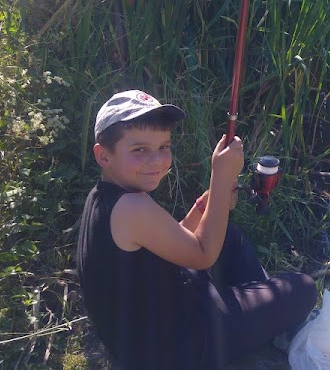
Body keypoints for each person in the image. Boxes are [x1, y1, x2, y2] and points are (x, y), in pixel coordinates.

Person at [77, 90, 316, 368]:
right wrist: (221, 175)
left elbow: (168, 241)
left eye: (163, 147)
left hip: (146, 328)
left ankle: (256, 313)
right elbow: (203, 255)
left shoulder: (104, 195)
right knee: (303, 288)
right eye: (139, 150)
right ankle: (261, 320)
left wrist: (207, 205)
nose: (156, 160)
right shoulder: (132, 206)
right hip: (178, 347)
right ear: (103, 156)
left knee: (227, 234)